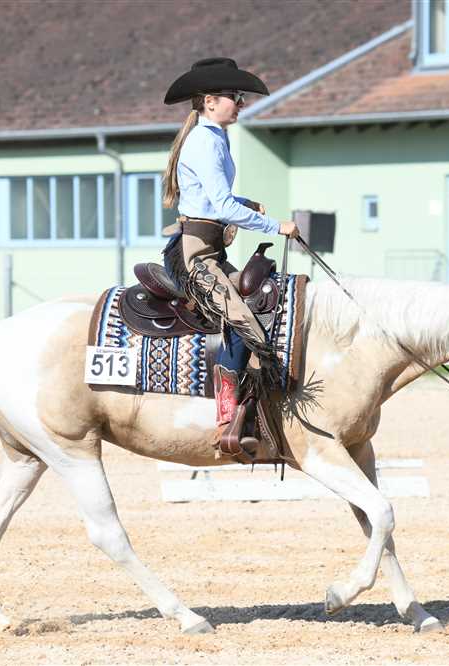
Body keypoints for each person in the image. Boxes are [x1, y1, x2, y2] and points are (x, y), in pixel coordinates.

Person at [161, 57, 298, 452]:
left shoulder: (213, 137)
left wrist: (246, 203)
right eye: (233, 96)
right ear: (209, 102)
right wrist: (276, 226)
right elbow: (220, 206)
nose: (240, 103)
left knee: (257, 300)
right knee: (240, 318)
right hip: (197, 256)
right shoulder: (205, 141)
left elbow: (212, 200)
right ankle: (226, 417)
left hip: (212, 249)